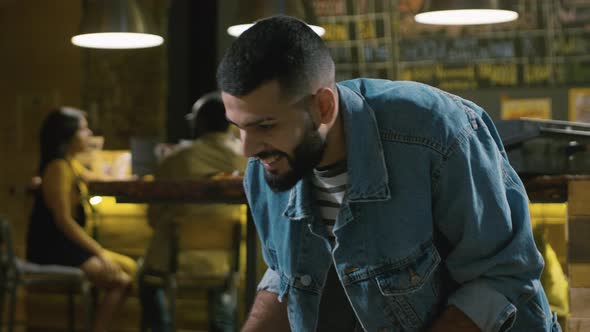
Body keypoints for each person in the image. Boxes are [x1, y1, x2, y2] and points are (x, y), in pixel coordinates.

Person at [216, 15, 561, 332]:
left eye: (265, 125)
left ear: (323, 106)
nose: (248, 149)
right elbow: (285, 280)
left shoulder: (436, 133)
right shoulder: (265, 169)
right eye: (239, 127)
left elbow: (503, 276)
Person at [138, 93, 246, 332]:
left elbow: (153, 216)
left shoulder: (177, 159)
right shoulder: (248, 158)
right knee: (223, 286)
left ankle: (162, 327)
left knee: (144, 277)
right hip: (228, 260)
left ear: (200, 123)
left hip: (175, 258)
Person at [26, 107, 137, 332]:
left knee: (131, 268)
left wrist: (128, 178)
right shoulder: (58, 167)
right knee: (123, 280)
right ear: (68, 135)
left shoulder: (69, 163)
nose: (89, 134)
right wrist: (100, 253)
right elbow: (63, 220)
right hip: (53, 248)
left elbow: (98, 178)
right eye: (83, 129)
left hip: (66, 246)